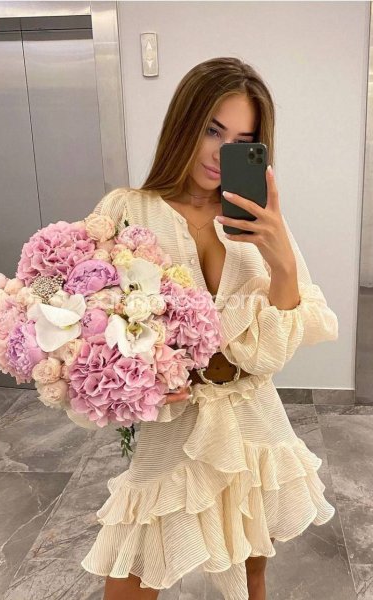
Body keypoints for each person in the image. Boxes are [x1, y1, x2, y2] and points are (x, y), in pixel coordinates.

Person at [78, 57, 339, 600]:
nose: (222, 154)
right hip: (175, 424)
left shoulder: (259, 219)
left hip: (253, 419)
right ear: (184, 123)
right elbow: (90, 322)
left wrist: (282, 262)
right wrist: (145, 381)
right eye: (212, 130)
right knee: (132, 576)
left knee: (253, 572)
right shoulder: (126, 209)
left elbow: (271, 353)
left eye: (242, 141)